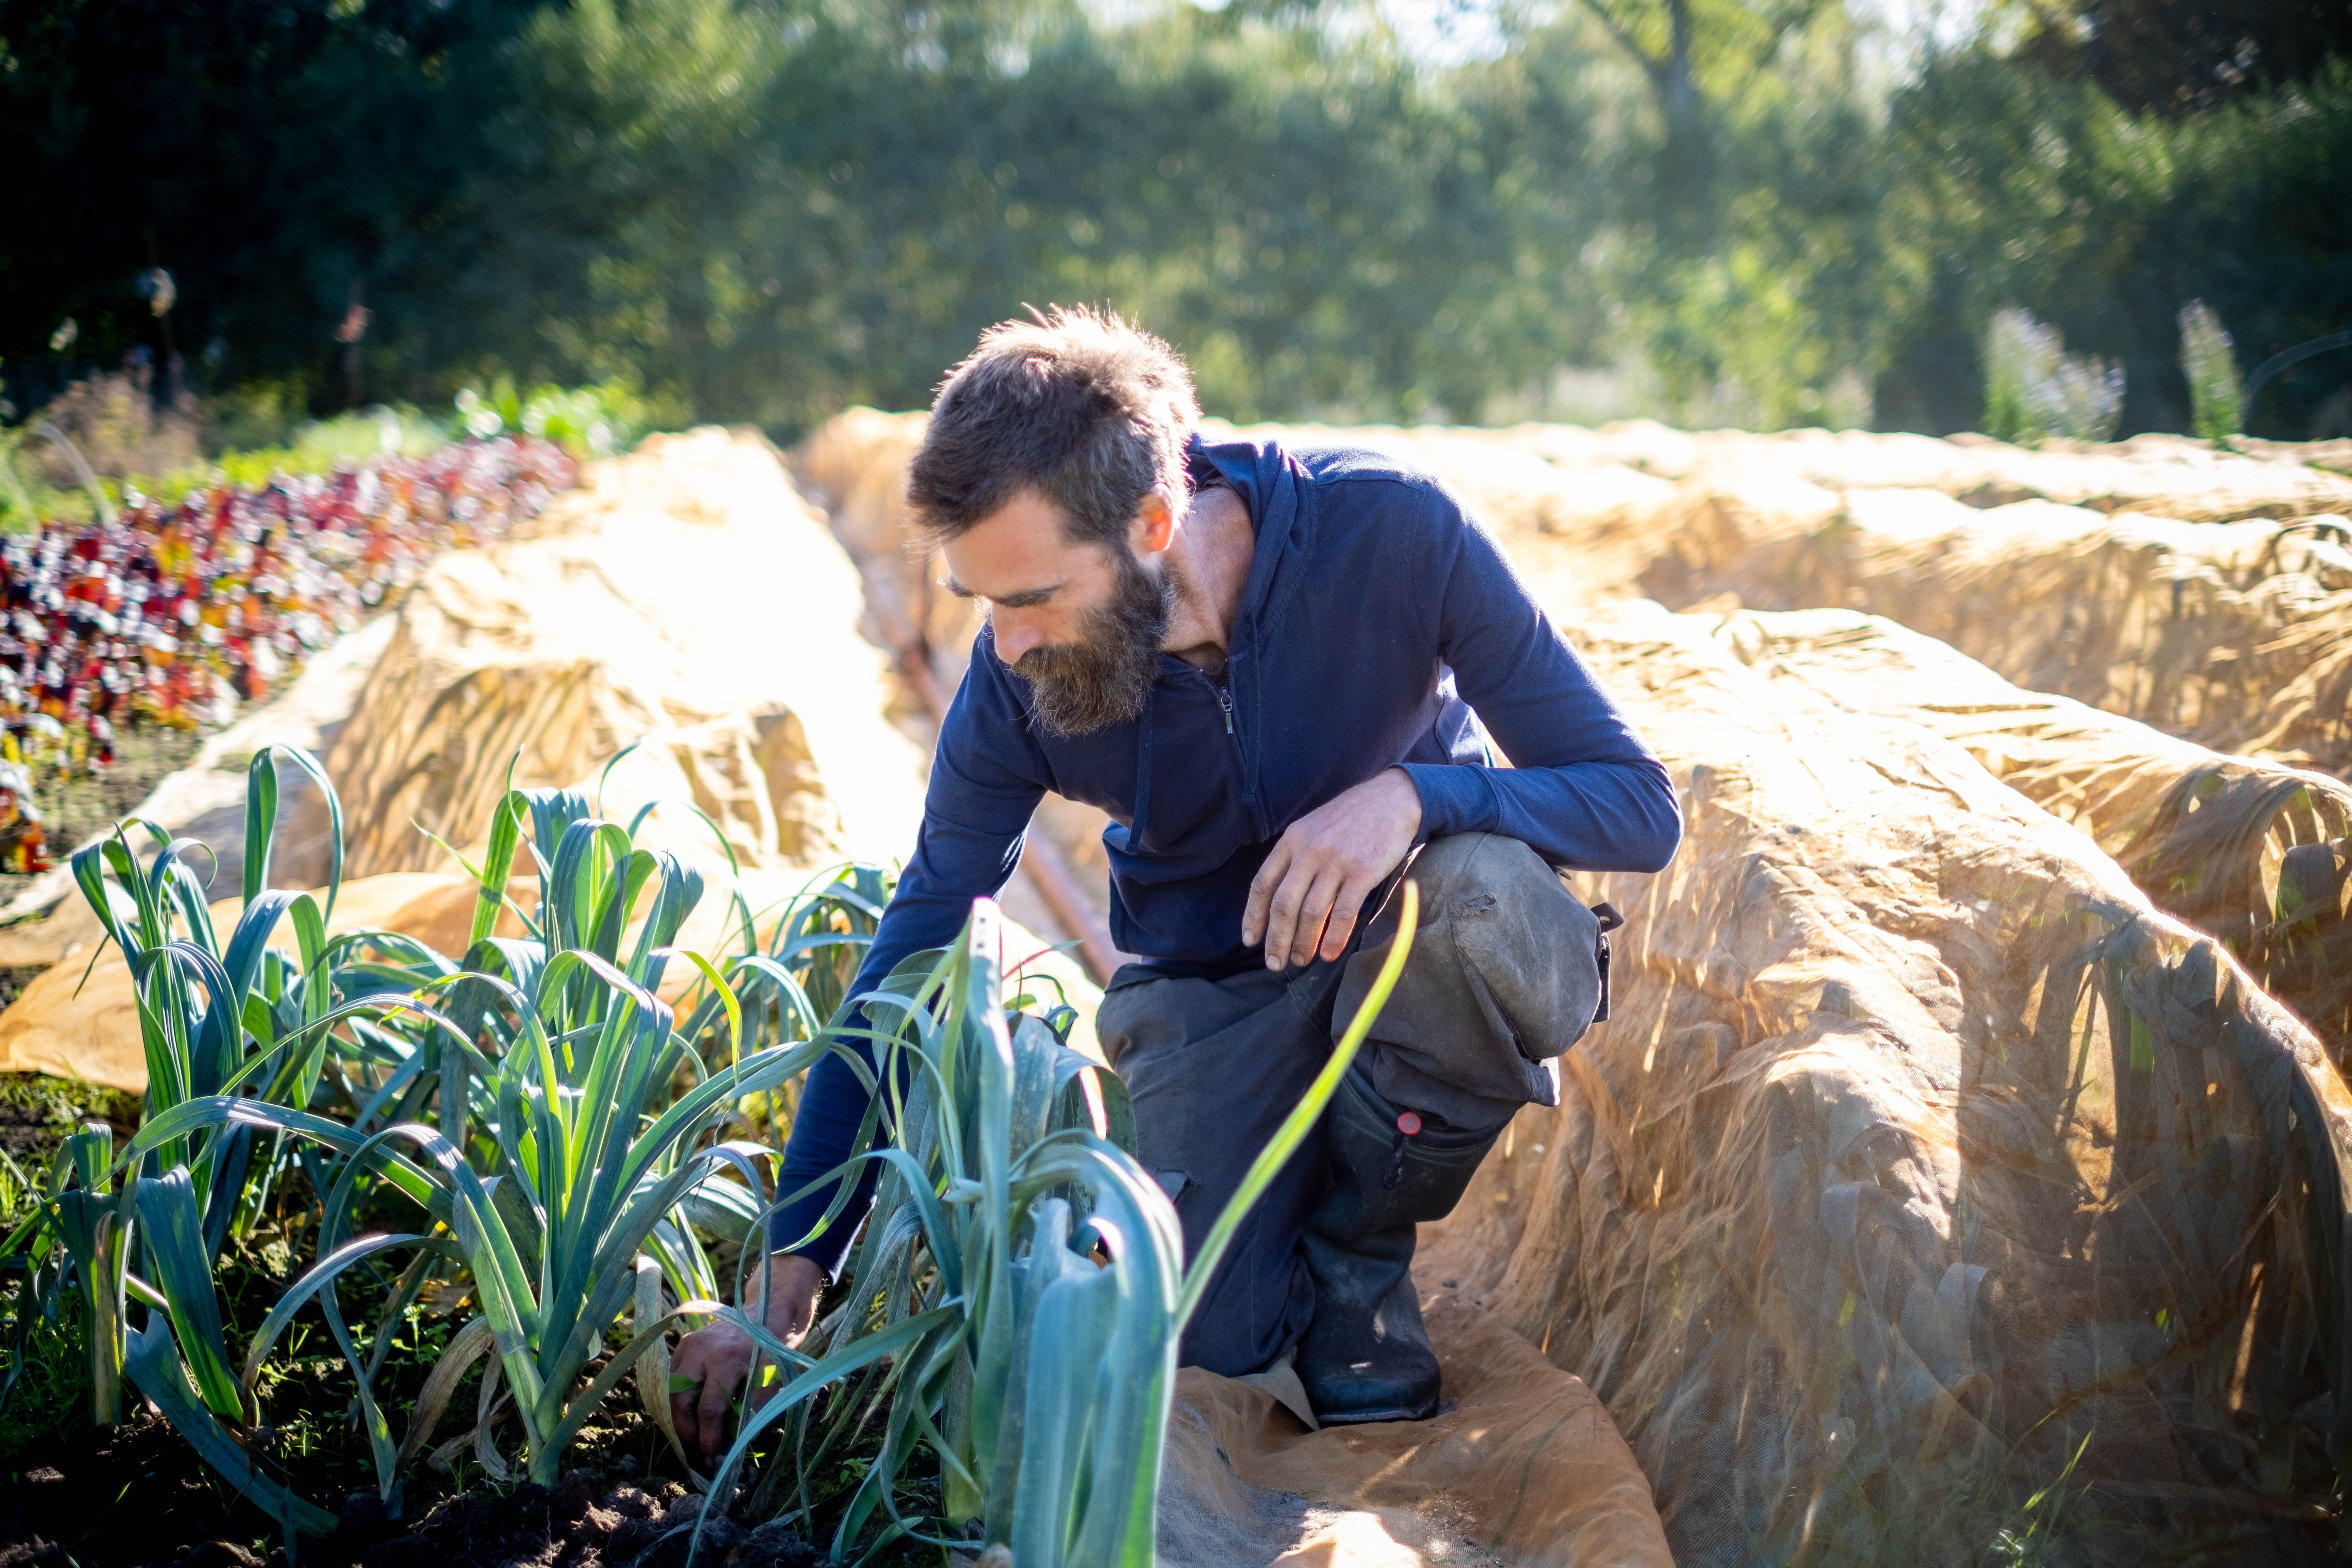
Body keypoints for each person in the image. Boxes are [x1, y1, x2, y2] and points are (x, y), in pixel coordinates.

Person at [669, 307, 1681, 1461]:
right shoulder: (1019, 683)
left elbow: (1635, 802)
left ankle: (1360, 1259)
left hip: (1402, 945)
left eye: (1031, 596)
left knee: (1483, 901)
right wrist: (799, 1252)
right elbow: (922, 933)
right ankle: (1273, 1240)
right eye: (978, 599)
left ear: (1154, 523)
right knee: (1204, 1343)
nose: (1001, 644)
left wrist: (1417, 796)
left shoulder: (1389, 531)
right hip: (1209, 989)